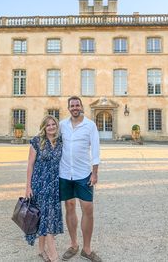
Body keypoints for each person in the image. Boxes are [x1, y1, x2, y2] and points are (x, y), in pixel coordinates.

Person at [59, 96, 102, 262]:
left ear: (81, 106)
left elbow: (96, 150)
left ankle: (87, 249)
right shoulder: (62, 125)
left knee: (88, 209)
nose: (75, 107)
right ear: (69, 108)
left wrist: (95, 172)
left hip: (83, 173)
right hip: (64, 173)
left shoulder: (90, 125)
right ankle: (74, 244)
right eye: (72, 105)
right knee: (69, 207)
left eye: (77, 105)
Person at [25, 115, 63, 262]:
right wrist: (28, 187)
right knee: (47, 219)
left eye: (53, 124)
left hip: (54, 186)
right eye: (48, 125)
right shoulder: (36, 141)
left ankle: (41, 250)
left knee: (45, 217)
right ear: (44, 127)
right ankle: (54, 257)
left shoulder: (60, 142)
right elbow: (30, 165)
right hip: (39, 185)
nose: (51, 127)